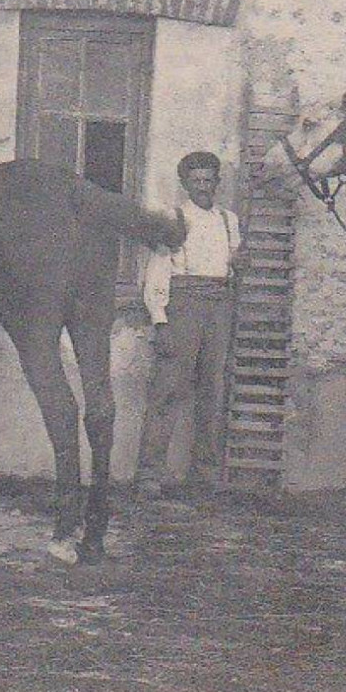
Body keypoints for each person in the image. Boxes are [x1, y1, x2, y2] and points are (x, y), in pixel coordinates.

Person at [134, 151, 245, 499]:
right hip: (183, 305)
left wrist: (241, 262)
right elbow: (158, 271)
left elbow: (234, 262)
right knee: (168, 389)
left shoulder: (229, 220)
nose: (203, 187)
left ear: (217, 183)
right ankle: (149, 475)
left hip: (219, 305)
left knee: (213, 391)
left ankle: (206, 474)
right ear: (185, 184)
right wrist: (161, 321)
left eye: (209, 180)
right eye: (196, 181)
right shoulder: (175, 218)